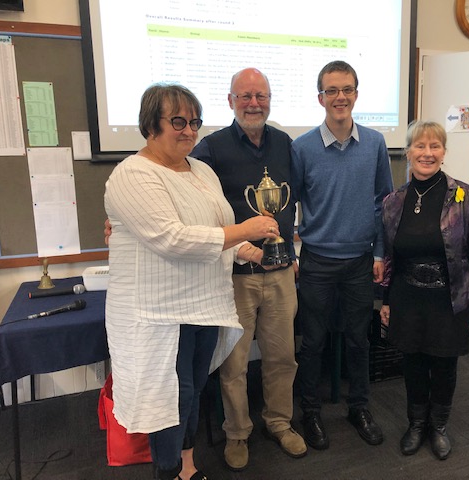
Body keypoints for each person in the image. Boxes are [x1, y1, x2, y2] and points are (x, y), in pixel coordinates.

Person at [104, 83, 280, 480]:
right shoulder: (132, 174)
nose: (188, 131)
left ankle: (186, 467)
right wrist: (246, 229)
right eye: (178, 121)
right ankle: (166, 471)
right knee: (169, 400)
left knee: (193, 390)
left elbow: (215, 229)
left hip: (203, 304)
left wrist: (247, 250)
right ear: (151, 125)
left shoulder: (200, 170)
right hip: (158, 317)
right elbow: (172, 239)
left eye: (194, 122)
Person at [190, 68, 306, 471]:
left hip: (279, 273)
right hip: (234, 278)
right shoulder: (210, 148)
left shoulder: (286, 144)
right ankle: (237, 432)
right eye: (245, 97)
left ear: (270, 100)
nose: (253, 103)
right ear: (230, 101)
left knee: (282, 357)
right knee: (235, 363)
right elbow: (189, 199)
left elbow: (304, 195)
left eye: (261, 96)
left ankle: (279, 422)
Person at [291, 60, 393, 449]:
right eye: (332, 90)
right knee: (313, 341)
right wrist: (292, 255)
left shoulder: (375, 143)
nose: (340, 97)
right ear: (321, 98)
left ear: (356, 94)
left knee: (358, 341)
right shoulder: (301, 148)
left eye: (346, 89)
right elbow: (288, 207)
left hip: (359, 261)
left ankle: (358, 406)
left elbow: (384, 202)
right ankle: (311, 413)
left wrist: (381, 251)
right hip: (316, 262)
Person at [379, 120, 469, 461]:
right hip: (407, 297)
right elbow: (388, 256)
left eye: (435, 147)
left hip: (450, 299)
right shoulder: (393, 201)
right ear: (408, 151)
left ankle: (438, 426)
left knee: (444, 364)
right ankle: (416, 424)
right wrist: (385, 300)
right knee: (412, 363)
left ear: (444, 153)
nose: (427, 153)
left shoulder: (466, 197)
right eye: (420, 146)